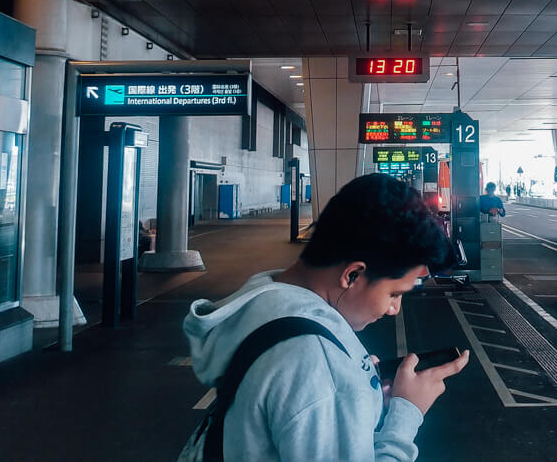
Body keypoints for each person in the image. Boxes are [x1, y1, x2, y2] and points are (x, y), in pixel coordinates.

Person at [180, 173, 469, 461]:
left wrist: (352, 396)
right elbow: (310, 379)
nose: (394, 309)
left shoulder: (264, 299)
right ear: (352, 274)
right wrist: (406, 414)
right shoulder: (317, 365)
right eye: (394, 293)